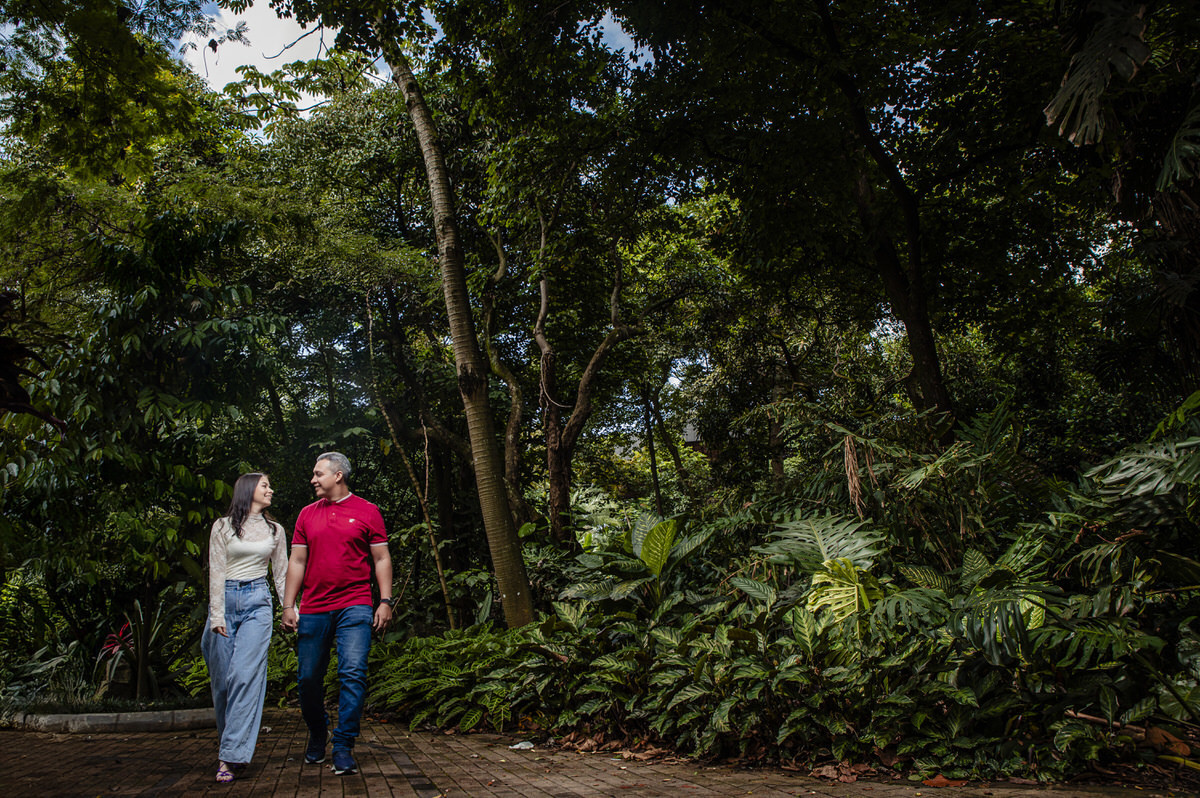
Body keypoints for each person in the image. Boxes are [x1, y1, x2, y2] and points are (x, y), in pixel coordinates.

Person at [281, 452, 393, 776]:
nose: (313, 479)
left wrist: (384, 600)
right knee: (307, 679)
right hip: (314, 607)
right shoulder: (306, 515)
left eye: (318, 474)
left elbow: (381, 558)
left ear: (338, 475)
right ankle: (318, 732)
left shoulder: (368, 512)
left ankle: (343, 745)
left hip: (355, 605)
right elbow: (297, 562)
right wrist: (289, 605)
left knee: (353, 673)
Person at [202, 472, 288, 784]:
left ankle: (230, 756)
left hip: (257, 602)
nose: (271, 489)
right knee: (224, 683)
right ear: (249, 490)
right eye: (266, 485)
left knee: (244, 675)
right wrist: (217, 617)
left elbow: (281, 574)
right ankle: (232, 745)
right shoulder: (222, 527)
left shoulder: (275, 530)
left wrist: (290, 609)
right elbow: (216, 571)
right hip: (224, 601)